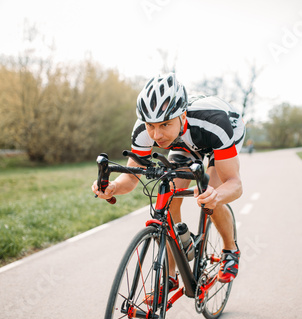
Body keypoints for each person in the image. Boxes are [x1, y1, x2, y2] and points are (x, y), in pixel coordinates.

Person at [92, 73, 245, 293]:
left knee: (210, 192)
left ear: (182, 115)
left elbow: (235, 184)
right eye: (151, 126)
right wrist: (113, 186)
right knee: (169, 189)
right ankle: (170, 274)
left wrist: (216, 195)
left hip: (219, 134)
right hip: (183, 141)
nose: (157, 134)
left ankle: (230, 251)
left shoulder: (213, 122)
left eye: (164, 124)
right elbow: (131, 177)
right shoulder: (144, 130)